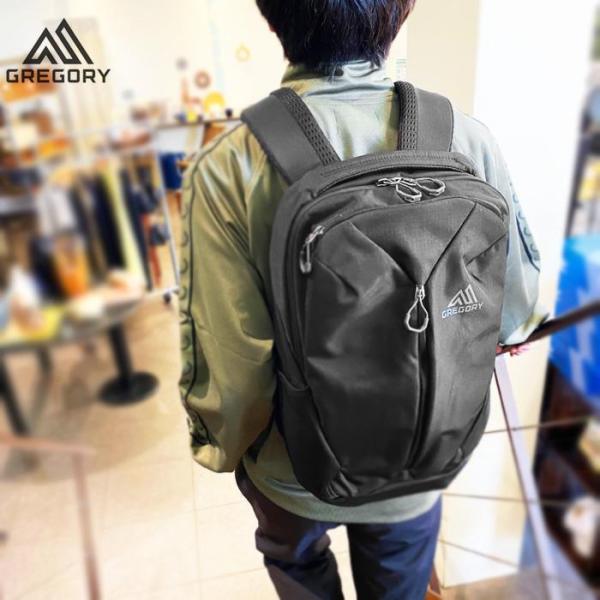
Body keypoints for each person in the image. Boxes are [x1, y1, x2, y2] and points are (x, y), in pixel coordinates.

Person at [178, 1, 545, 597]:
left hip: (295, 469)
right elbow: (516, 315)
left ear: (271, 15)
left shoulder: (228, 167)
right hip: (423, 451)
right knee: (400, 580)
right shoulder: (465, 138)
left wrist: (224, 450)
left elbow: (232, 370)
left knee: (297, 564)